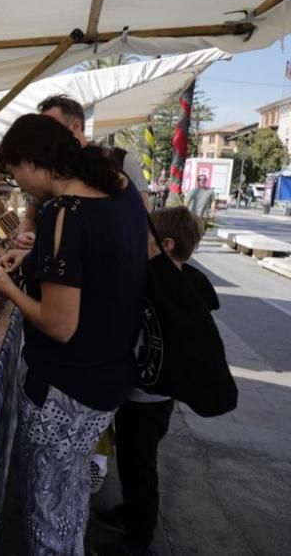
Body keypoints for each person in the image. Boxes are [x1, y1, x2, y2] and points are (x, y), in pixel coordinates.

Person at [0, 114, 148, 556]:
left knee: (47, 508)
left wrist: (9, 288)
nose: (20, 185)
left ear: (32, 161)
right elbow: (108, 265)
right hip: (109, 378)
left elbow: (59, 324)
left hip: (65, 389)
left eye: (15, 173)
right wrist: (37, 261)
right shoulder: (121, 192)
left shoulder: (64, 214)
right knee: (68, 493)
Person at [95, 206, 220, 556]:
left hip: (149, 397)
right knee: (133, 460)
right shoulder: (177, 282)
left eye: (143, 237)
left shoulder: (168, 290)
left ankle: (139, 539)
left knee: (140, 467)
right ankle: (132, 513)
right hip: (150, 394)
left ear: (164, 245)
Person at [12, 95, 149, 250]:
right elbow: (30, 218)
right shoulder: (46, 171)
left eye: (52, 128)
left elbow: (143, 221)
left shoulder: (121, 161)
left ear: (76, 126)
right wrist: (27, 238)